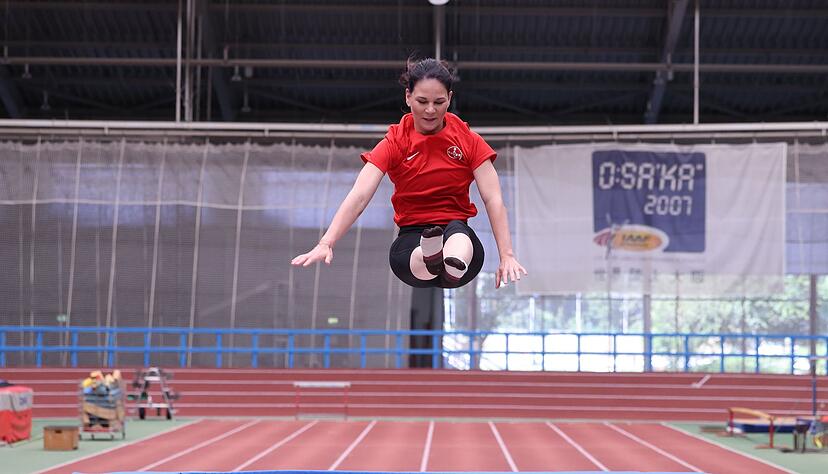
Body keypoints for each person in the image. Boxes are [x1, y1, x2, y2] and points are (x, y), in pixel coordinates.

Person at [291, 57, 526, 289]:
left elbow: (493, 198)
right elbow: (360, 195)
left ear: (450, 99)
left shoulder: (467, 140)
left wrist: (507, 255)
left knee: (458, 235)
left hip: (459, 236)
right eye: (422, 101)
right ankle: (430, 257)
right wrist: (326, 242)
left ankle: (450, 262)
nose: (430, 110)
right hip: (412, 237)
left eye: (439, 102)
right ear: (408, 96)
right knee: (410, 253)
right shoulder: (396, 141)